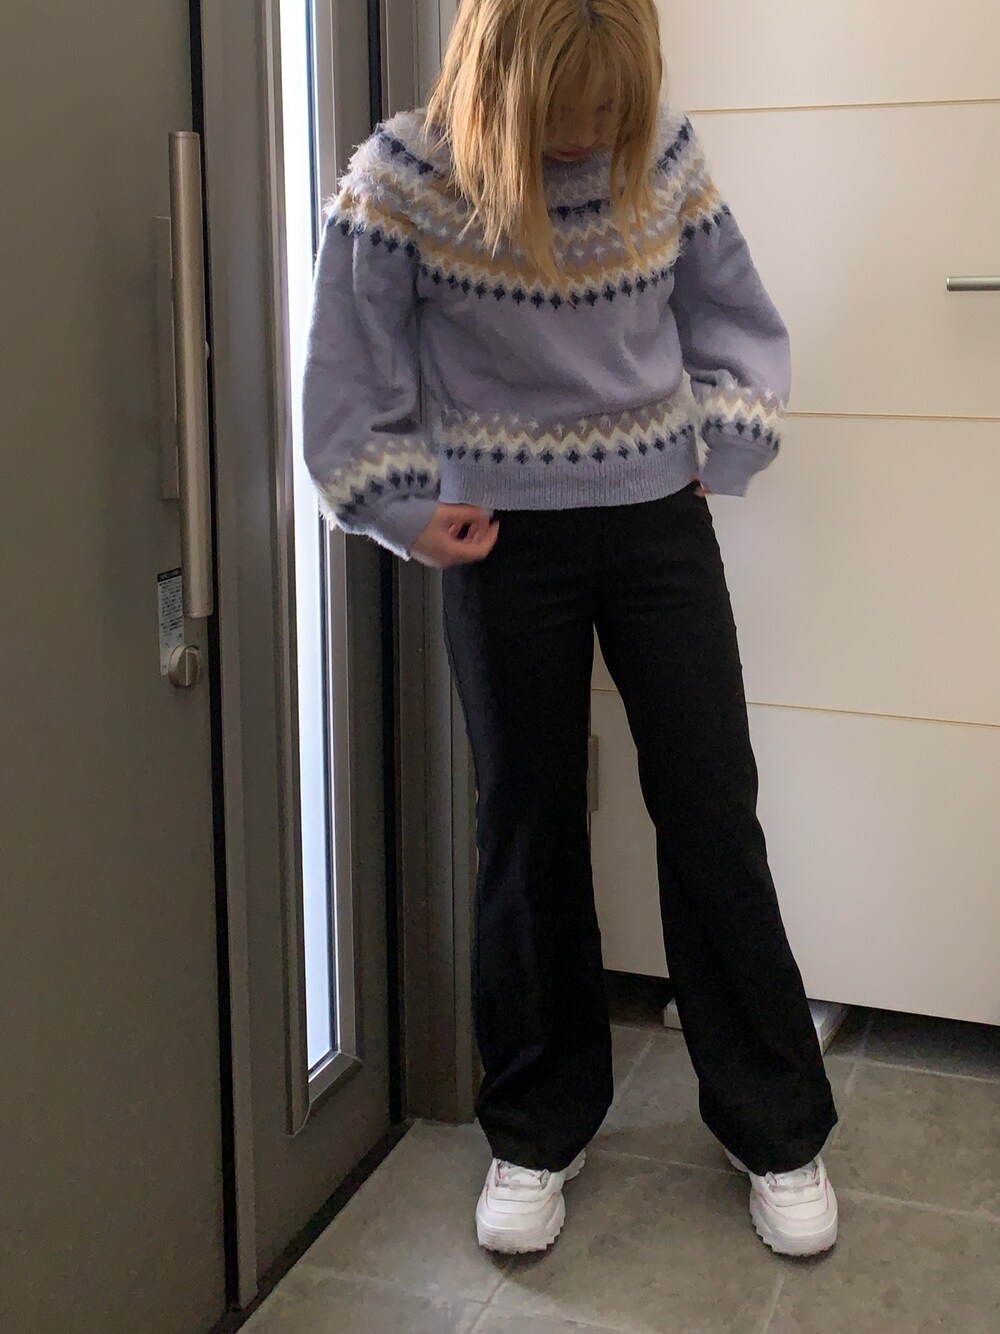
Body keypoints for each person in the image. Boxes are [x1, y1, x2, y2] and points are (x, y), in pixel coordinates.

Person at [303, 0, 839, 1258]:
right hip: (502, 546)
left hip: (659, 526)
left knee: (710, 805)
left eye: (610, 107)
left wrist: (727, 439)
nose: (590, 135)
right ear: (498, 74)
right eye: (564, 114)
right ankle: (537, 1127)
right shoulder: (402, 179)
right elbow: (347, 369)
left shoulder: (664, 152)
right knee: (527, 823)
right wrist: (398, 507)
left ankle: (774, 1123)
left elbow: (735, 317)